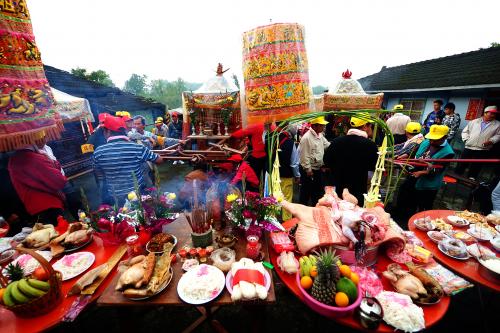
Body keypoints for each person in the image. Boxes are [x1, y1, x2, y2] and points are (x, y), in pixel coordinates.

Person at [93, 115, 163, 206]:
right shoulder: (137, 148)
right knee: (143, 216)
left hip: (114, 199)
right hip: (138, 195)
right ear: (124, 131)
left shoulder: (98, 152)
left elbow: (98, 174)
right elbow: (159, 160)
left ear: (107, 132)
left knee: (119, 218)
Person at [394, 125, 455, 224]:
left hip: (428, 183)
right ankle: (401, 220)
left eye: (435, 139)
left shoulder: (448, 152)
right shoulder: (426, 141)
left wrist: (423, 172)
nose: (432, 142)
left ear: (445, 137)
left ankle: (418, 225)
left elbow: (438, 170)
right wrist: (405, 156)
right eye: (431, 139)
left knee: (423, 207)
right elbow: (414, 152)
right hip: (414, 175)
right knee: (404, 195)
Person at [8, 135, 68, 225]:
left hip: (32, 209)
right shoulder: (35, 158)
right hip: (50, 207)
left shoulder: (12, 161)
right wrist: (50, 160)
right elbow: (59, 181)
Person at [323, 114, 378, 205]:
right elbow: (373, 167)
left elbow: (327, 161)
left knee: (337, 212)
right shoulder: (370, 145)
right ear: (364, 126)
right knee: (356, 214)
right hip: (358, 188)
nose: (370, 128)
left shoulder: (336, 142)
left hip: (338, 187)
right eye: (370, 126)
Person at [456, 105, 500, 180]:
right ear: (485, 113)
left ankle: (471, 178)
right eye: (491, 113)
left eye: (494, 114)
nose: (493, 115)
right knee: (462, 162)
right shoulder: (474, 121)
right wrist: (466, 140)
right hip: (469, 146)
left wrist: (491, 141)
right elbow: (465, 131)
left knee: (477, 164)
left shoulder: (498, 124)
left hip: (483, 148)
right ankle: (457, 175)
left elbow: (498, 135)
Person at [266, 127, 300, 220]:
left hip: (271, 174)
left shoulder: (268, 139)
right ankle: (287, 224)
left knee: (273, 198)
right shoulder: (290, 143)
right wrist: (297, 175)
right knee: (286, 199)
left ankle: (273, 220)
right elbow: (294, 163)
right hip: (286, 176)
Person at [299, 116, 330, 205]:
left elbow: (327, 145)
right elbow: (304, 155)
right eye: (322, 125)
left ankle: (314, 210)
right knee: (306, 193)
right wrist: (308, 169)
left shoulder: (320, 135)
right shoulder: (306, 138)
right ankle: (302, 211)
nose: (323, 127)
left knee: (316, 193)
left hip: (317, 168)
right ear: (315, 126)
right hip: (309, 170)